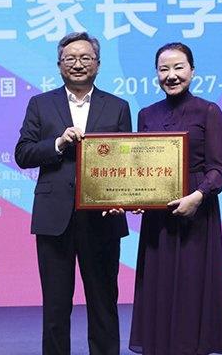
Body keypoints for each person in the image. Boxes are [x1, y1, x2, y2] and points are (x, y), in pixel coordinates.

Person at [15, 32, 131, 355]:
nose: (78, 64)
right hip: (55, 218)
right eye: (70, 58)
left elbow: (127, 161)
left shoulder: (118, 107)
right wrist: (58, 143)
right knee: (55, 307)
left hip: (103, 218)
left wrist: (123, 200)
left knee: (104, 304)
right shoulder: (40, 104)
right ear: (59, 65)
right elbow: (22, 153)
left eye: (85, 58)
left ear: (98, 64)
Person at [129, 42, 222, 354]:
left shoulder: (209, 111)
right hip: (157, 214)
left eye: (178, 67)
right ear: (156, 74)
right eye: (164, 69)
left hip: (196, 211)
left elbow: (217, 170)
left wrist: (197, 197)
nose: (171, 75)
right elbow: (140, 168)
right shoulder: (146, 114)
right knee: (158, 285)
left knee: (192, 284)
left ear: (192, 71)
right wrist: (135, 197)